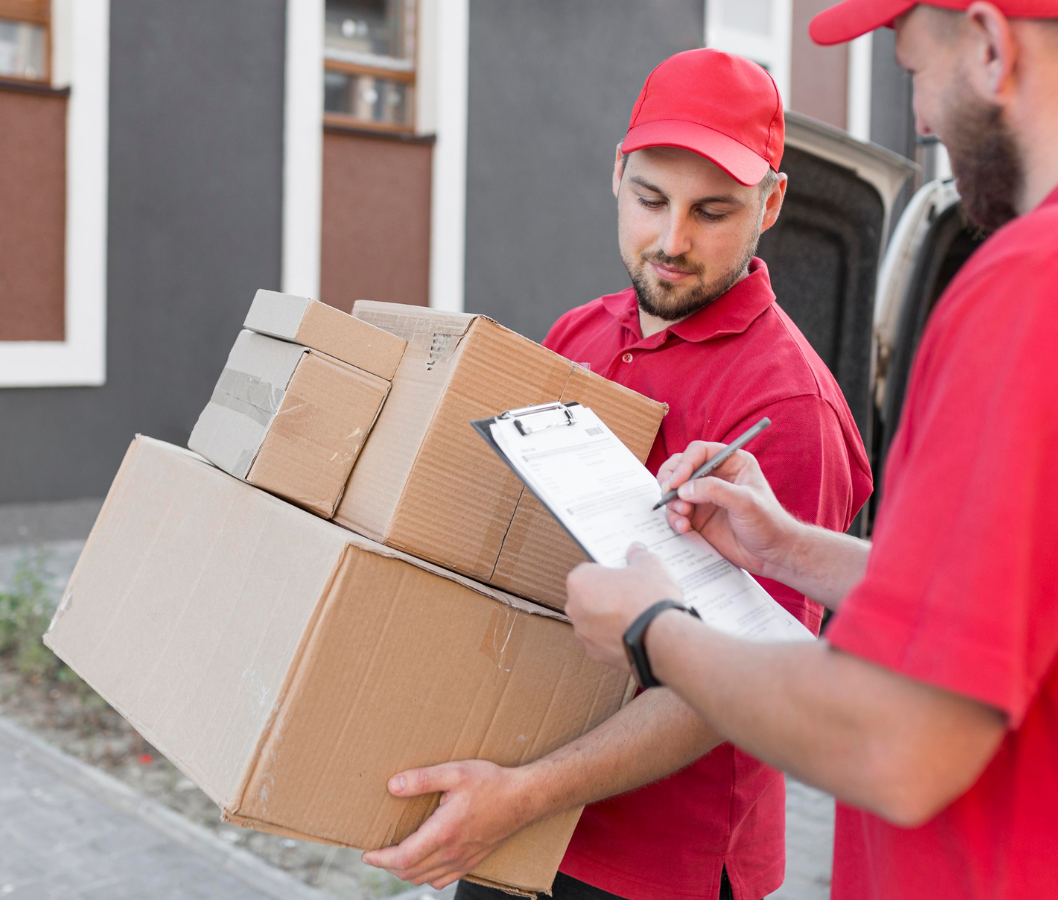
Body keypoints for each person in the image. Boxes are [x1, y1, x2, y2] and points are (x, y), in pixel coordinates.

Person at [563, 3, 1058, 900]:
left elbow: (898, 743)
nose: (921, 119)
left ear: (990, 42)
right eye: (650, 199)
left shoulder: (1028, 290)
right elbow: (986, 609)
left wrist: (651, 630)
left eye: (912, 65)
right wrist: (790, 547)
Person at [362, 49, 873, 900]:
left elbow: (741, 691)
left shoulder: (788, 406)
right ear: (615, 174)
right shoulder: (579, 335)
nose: (672, 242)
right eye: (650, 201)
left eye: (713, 212)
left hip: (658, 865)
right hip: (522, 817)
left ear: (772, 203)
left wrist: (522, 793)